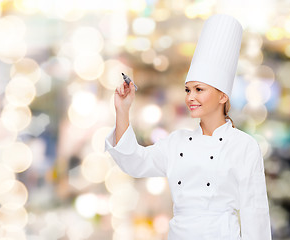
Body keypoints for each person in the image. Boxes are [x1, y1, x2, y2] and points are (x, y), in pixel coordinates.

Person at [105, 14, 272, 240]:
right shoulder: (177, 142)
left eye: (199, 90)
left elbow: (256, 215)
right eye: (187, 90)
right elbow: (135, 162)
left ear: (223, 96)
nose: (190, 97)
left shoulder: (244, 146)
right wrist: (123, 110)